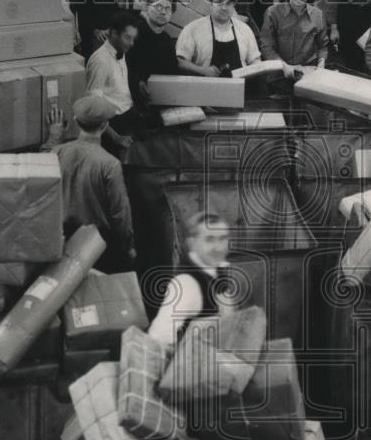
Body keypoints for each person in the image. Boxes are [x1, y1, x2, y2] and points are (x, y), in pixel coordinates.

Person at [42, 95, 136, 273]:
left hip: (60, 239)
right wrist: (128, 248)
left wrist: (54, 136)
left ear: (76, 122)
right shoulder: (109, 164)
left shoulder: (57, 152)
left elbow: (40, 166)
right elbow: (120, 213)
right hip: (95, 244)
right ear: (105, 125)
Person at [147, 212, 237, 347]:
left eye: (223, 238)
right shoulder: (186, 283)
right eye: (209, 239)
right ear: (192, 243)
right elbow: (158, 337)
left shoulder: (217, 270)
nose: (218, 247)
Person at [175, 0, 261, 75]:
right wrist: (203, 71)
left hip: (240, 87)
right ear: (211, 4)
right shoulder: (192, 28)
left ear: (233, 5)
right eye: (219, 2)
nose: (224, 8)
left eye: (228, 3)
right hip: (204, 86)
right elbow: (180, 62)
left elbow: (255, 60)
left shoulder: (245, 30)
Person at [85, 12, 143, 139]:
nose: (132, 43)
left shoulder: (121, 49)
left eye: (133, 38)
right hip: (113, 126)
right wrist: (116, 138)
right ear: (113, 33)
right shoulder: (100, 61)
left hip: (128, 115)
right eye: (128, 38)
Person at [260, 0, 329, 73]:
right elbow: (267, 47)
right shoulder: (272, 13)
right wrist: (283, 66)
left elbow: (322, 46)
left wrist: (321, 64)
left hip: (308, 70)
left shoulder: (318, 15)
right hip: (280, 70)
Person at [127, 0, 179, 109]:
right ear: (146, 8)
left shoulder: (167, 40)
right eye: (158, 7)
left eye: (167, 9)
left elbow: (173, 72)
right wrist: (136, 82)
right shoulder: (133, 34)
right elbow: (120, 67)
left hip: (160, 100)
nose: (163, 12)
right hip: (131, 101)